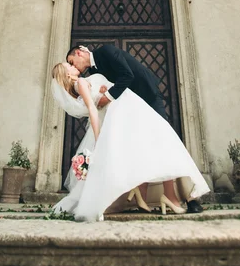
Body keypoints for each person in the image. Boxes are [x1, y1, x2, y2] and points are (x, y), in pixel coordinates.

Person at [51, 60, 210, 222]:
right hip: (124, 108)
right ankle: (162, 195)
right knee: (154, 138)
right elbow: (93, 109)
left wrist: (104, 92)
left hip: (124, 105)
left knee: (144, 145)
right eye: (69, 66)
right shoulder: (82, 82)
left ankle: (146, 193)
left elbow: (97, 102)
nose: (73, 65)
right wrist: (99, 139)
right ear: (67, 75)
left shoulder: (81, 86)